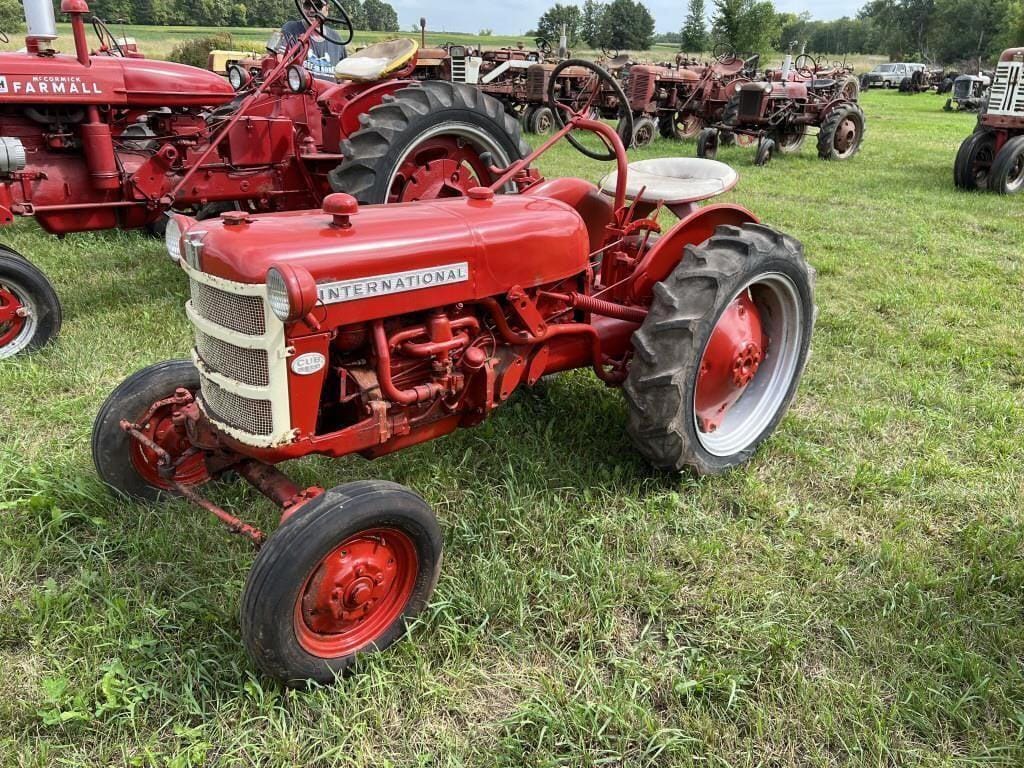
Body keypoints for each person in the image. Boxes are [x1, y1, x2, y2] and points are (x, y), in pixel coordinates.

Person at [279, 1, 347, 80]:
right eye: (307, 5)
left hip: (331, 91)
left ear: (327, 9)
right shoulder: (291, 30)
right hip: (302, 91)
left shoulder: (336, 39)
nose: (312, 10)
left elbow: (345, 77)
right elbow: (281, 61)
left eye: (318, 5)